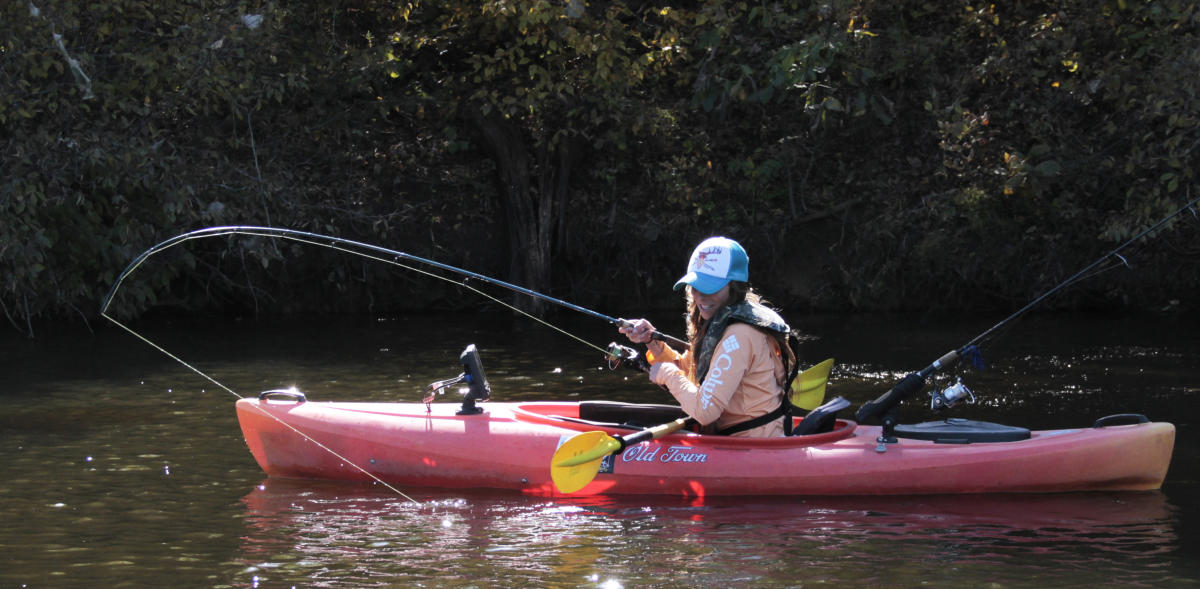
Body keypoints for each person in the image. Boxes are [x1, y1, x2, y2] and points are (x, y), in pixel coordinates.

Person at [619, 236, 796, 437]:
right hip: (743, 439)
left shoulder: (739, 335)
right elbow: (693, 374)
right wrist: (653, 343)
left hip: (755, 444)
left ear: (734, 287)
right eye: (695, 286)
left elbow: (705, 411)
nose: (700, 296)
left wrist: (667, 374)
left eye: (710, 287)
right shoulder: (722, 321)